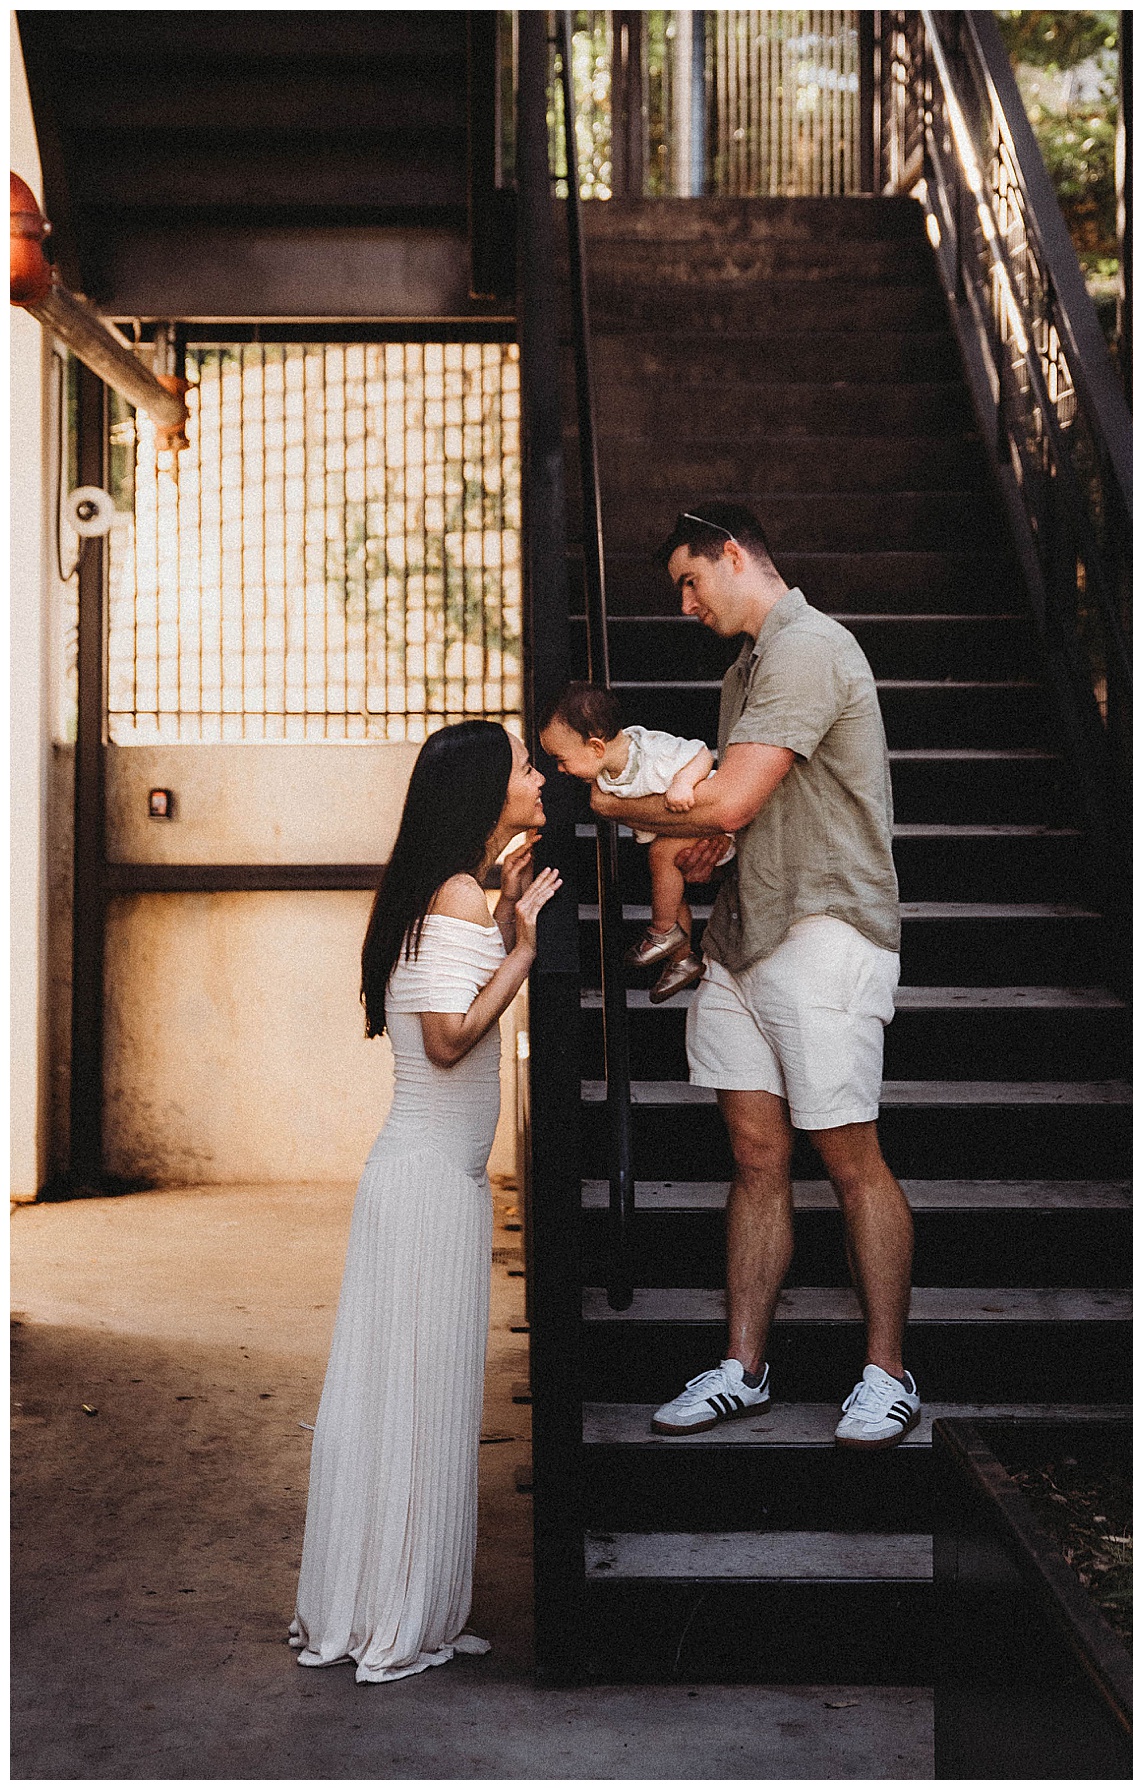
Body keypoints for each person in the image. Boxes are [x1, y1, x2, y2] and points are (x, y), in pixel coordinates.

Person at [590, 504, 919, 1450]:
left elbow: (729, 794)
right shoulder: (746, 669)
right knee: (755, 1160)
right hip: (742, 935)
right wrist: (706, 852)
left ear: (736, 556)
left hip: (823, 929)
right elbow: (741, 817)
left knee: (850, 1160)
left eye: (692, 581)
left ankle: (888, 1375)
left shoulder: (809, 647)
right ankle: (743, 1368)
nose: (685, 603)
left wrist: (611, 799)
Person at [290, 721, 560, 1682]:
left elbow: (447, 998)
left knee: (410, 1399)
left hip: (422, 1183)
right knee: (415, 1400)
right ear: (488, 791)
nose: (539, 776)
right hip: (424, 1191)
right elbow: (449, 1040)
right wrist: (522, 945)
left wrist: (504, 909)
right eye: (527, 766)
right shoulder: (454, 894)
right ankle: (395, 1615)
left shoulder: (448, 894)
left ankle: (390, 1601)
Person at [539, 680, 722, 1002]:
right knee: (669, 889)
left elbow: (700, 752)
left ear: (596, 747)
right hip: (674, 829)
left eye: (560, 758)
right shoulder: (604, 773)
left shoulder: (651, 749)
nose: (559, 769)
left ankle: (662, 932)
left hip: (708, 822)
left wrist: (683, 782)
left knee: (662, 856)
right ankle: (682, 959)